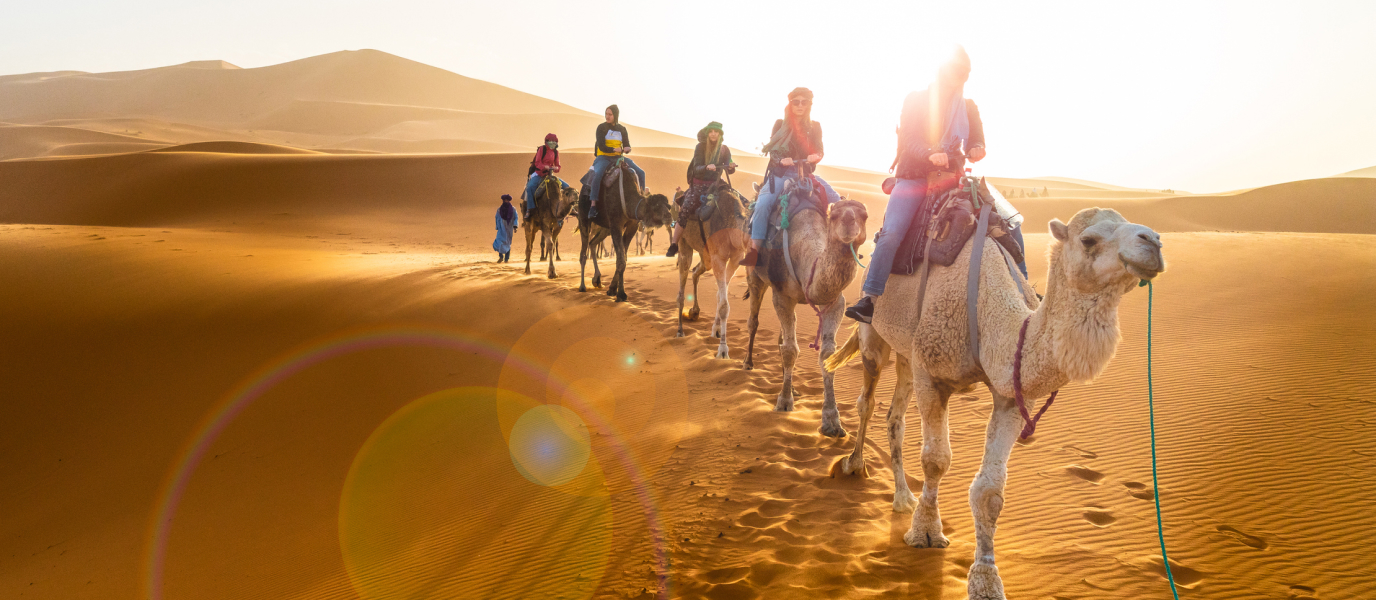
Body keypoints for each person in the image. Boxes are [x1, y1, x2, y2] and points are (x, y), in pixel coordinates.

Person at [846, 46, 988, 323]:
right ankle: (870, 298)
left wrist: (978, 148)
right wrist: (928, 153)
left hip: (952, 178)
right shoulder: (916, 100)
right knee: (892, 233)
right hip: (914, 177)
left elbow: (977, 139)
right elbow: (908, 139)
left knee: (1003, 221)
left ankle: (1024, 293)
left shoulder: (969, 107)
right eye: (954, 71)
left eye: (964, 73)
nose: (958, 78)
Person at [740, 87, 834, 267]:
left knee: (836, 200)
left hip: (804, 174)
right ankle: (754, 252)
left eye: (803, 102)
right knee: (763, 204)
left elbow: (819, 149)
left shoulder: (815, 127)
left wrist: (817, 156)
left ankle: (840, 248)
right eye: (795, 102)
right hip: (781, 175)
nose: (799, 105)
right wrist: (782, 160)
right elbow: (773, 151)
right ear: (790, 104)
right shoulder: (779, 125)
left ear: (809, 104)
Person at [666, 121, 736, 257]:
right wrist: (706, 167)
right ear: (708, 133)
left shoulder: (724, 149)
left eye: (716, 132)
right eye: (711, 131)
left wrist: (731, 166)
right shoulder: (700, 147)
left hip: (716, 185)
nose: (713, 134)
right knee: (686, 208)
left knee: (735, 201)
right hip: (699, 184)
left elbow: (728, 165)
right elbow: (696, 167)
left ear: (720, 134)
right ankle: (674, 244)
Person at [588, 104, 646, 219]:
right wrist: (614, 149)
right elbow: (601, 145)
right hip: (603, 157)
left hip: (618, 158)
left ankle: (643, 201)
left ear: (615, 115)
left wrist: (627, 149)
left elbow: (627, 145)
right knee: (597, 174)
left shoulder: (622, 129)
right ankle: (593, 206)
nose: (607, 116)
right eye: (606, 114)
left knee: (641, 172)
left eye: (610, 114)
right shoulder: (601, 128)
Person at [522, 133, 573, 220]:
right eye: (551, 141)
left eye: (554, 141)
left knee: (567, 187)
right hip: (539, 174)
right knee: (530, 187)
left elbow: (558, 166)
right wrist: (545, 167)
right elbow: (538, 162)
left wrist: (555, 168)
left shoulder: (556, 152)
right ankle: (529, 209)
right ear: (547, 141)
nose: (553, 143)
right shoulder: (542, 149)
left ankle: (571, 209)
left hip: (550, 175)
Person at [494, 194, 518, 262]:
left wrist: (515, 226)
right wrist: (497, 226)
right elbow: (497, 218)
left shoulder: (513, 209)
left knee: (507, 243)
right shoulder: (499, 210)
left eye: (507, 200)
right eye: (505, 200)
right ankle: (501, 257)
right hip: (501, 229)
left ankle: (506, 259)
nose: (506, 201)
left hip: (509, 229)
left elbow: (516, 217)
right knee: (499, 242)